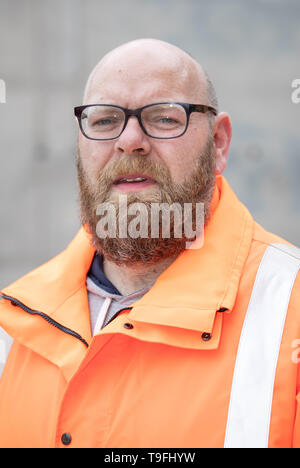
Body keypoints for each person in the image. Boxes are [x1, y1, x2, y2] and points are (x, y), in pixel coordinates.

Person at [0, 38, 299, 449]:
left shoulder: (290, 307)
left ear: (218, 144)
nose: (129, 140)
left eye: (163, 118)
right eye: (104, 121)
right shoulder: (13, 324)